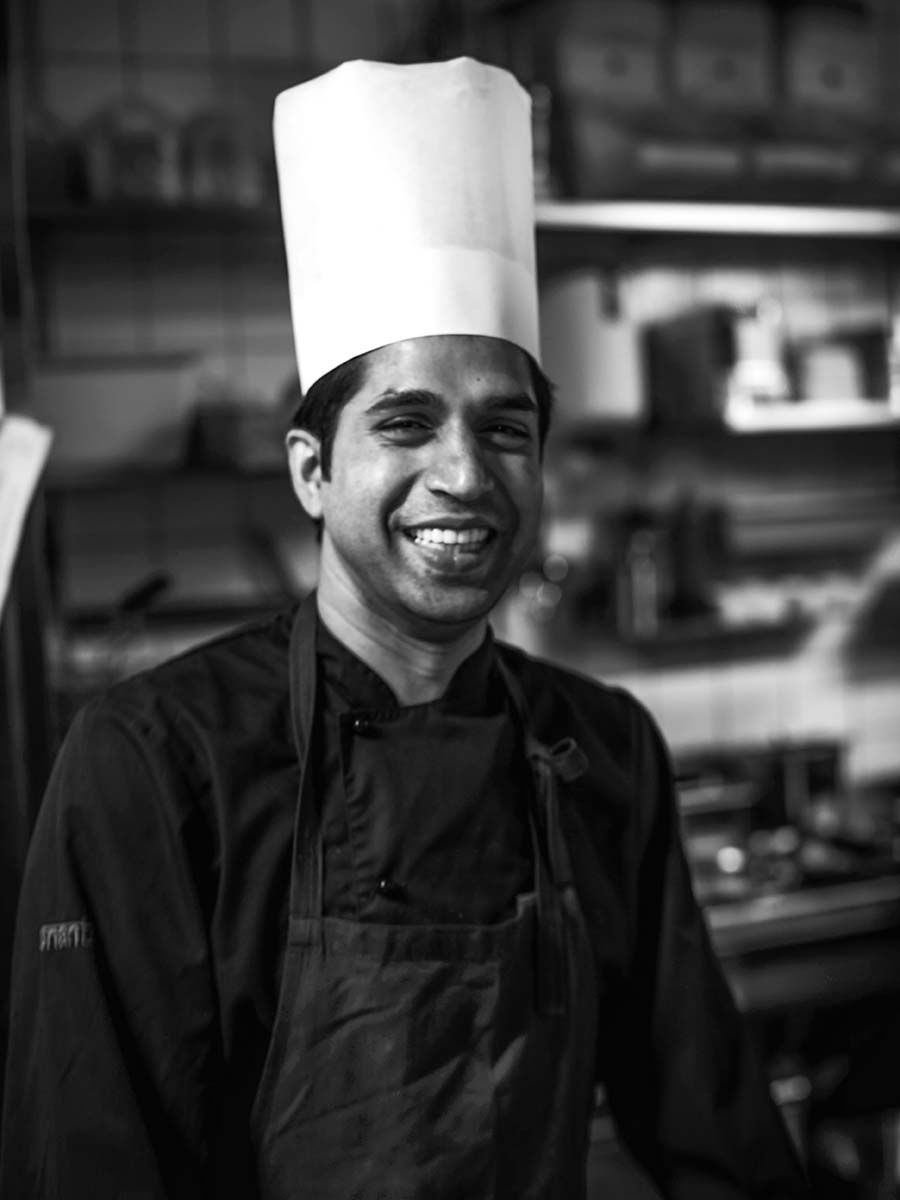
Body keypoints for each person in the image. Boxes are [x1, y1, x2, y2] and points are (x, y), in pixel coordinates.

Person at [1, 59, 809, 1199]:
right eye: (407, 423)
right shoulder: (154, 768)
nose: (465, 475)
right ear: (313, 470)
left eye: (506, 429)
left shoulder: (604, 753)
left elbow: (718, 1144)